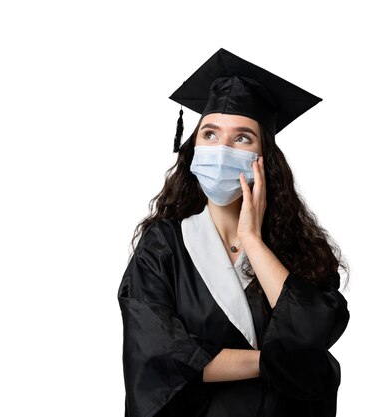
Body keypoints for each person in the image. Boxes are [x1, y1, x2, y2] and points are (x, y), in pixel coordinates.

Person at [117, 48, 351, 417]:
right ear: (193, 150)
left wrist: (255, 242)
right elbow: (157, 354)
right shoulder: (164, 246)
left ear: (265, 159)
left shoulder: (302, 251)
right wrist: (276, 363)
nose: (222, 150)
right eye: (210, 134)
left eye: (242, 138)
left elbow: (314, 332)